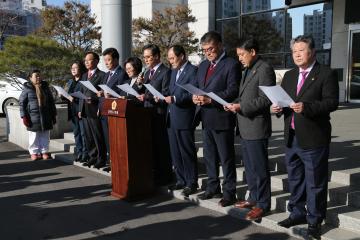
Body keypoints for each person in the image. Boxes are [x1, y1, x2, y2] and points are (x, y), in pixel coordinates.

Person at [272, 35, 339, 239]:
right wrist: (276, 108)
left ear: (312, 52)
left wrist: (307, 108)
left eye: (301, 50)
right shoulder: (290, 75)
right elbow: (284, 102)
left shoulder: (326, 73)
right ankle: (297, 213)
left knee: (315, 182)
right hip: (292, 137)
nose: (297, 54)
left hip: (313, 138)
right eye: (294, 51)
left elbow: (331, 102)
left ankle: (314, 221)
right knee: (295, 179)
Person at [225, 38, 275, 220]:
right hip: (245, 126)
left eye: (241, 54)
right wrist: (234, 103)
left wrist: (241, 107)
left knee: (260, 168)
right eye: (237, 55)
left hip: (256, 126)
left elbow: (265, 99)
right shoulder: (247, 70)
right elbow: (244, 96)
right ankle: (254, 197)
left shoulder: (265, 69)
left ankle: (263, 204)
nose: (239, 58)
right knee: (250, 167)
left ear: (252, 52)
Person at [192, 31, 241, 207]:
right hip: (206, 117)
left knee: (226, 158)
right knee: (209, 156)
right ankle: (213, 187)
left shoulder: (231, 64)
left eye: (211, 48)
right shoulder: (203, 65)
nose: (208, 53)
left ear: (220, 45)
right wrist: (195, 97)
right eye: (205, 50)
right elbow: (198, 87)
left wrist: (210, 99)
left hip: (222, 117)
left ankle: (229, 192)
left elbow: (232, 91)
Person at [137, 44, 173, 186]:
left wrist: (148, 98)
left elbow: (165, 94)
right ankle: (154, 172)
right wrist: (140, 85)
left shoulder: (165, 72)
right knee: (151, 146)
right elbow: (145, 91)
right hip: (147, 113)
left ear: (157, 56)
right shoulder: (146, 72)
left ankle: (165, 175)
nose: (146, 60)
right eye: (144, 57)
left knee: (161, 146)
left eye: (148, 57)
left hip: (159, 113)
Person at [165, 45, 198, 197]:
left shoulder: (192, 71)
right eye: (169, 59)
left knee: (186, 151)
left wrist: (176, 98)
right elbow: (171, 90)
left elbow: (193, 94)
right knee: (175, 151)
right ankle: (180, 179)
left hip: (185, 116)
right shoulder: (173, 71)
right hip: (171, 116)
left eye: (173, 58)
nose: (170, 61)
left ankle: (191, 182)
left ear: (182, 56)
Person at [98, 47, 130, 169]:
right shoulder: (106, 75)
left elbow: (123, 94)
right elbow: (105, 91)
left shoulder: (122, 74)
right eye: (105, 60)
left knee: (115, 140)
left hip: (115, 111)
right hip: (105, 110)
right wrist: (102, 95)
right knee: (108, 139)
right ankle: (110, 161)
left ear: (116, 60)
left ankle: (117, 163)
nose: (106, 63)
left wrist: (111, 95)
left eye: (109, 60)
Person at [19, 69, 57, 161]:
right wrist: (24, 116)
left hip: (46, 115)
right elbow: (22, 103)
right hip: (33, 116)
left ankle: (44, 151)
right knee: (34, 135)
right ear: (30, 78)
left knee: (45, 134)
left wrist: (53, 114)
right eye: (36, 76)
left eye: (39, 75)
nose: (38, 78)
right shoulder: (27, 88)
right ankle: (34, 152)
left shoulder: (45, 87)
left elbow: (51, 102)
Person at [78, 51, 107, 169]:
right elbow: (82, 93)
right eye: (85, 60)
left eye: (89, 60)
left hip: (95, 109)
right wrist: (80, 109)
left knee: (97, 135)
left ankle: (101, 158)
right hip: (85, 109)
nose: (86, 62)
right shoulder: (84, 75)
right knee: (88, 136)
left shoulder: (102, 75)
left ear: (96, 61)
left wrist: (94, 98)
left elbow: (103, 94)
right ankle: (92, 157)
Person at [63, 61, 88, 163]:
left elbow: (84, 96)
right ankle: (79, 152)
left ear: (80, 69)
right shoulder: (70, 82)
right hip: (72, 111)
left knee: (83, 133)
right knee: (76, 133)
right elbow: (65, 95)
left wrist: (73, 97)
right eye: (72, 68)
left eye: (75, 67)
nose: (73, 69)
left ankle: (85, 153)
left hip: (81, 110)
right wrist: (64, 94)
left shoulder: (83, 81)